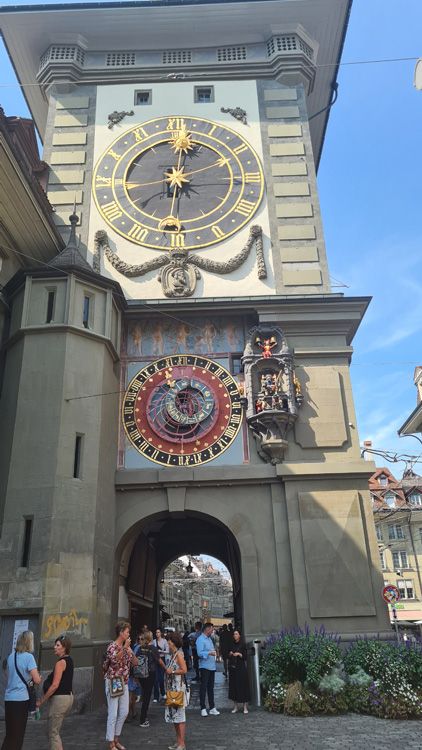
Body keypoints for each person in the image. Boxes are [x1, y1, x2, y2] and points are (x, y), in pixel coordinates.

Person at [1, 630, 41, 750]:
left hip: (9, 699)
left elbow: (9, 676)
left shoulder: (11, 656)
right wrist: (37, 677)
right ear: (29, 642)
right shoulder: (29, 657)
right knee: (18, 736)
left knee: (10, 735)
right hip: (21, 700)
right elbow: (37, 680)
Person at [104, 621, 138, 750]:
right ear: (121, 632)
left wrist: (131, 652)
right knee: (113, 713)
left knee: (124, 712)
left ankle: (116, 738)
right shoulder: (112, 646)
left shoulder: (127, 647)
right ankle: (111, 743)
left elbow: (135, 663)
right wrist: (124, 649)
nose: (129, 634)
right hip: (113, 680)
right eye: (127, 632)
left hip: (124, 681)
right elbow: (114, 662)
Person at [37, 635, 74, 749]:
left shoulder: (61, 663)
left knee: (53, 733)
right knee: (53, 731)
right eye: (55, 645)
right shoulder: (70, 660)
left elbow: (54, 685)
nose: (54, 647)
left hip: (60, 700)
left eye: (58, 645)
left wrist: (41, 700)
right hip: (68, 697)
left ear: (64, 648)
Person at [165, 632, 188, 750]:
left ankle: (182, 743)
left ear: (172, 642)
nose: (167, 644)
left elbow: (184, 670)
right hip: (172, 688)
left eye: (168, 641)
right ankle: (178, 741)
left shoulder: (179, 654)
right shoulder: (173, 654)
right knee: (174, 717)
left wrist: (172, 672)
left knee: (180, 716)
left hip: (178, 689)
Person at [137, 630, 160, 728]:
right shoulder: (153, 648)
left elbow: (136, 659)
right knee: (147, 695)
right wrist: (166, 669)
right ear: (150, 638)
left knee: (144, 693)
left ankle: (142, 715)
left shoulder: (140, 647)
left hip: (141, 674)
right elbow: (159, 660)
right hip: (150, 673)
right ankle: (143, 718)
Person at [196, 623, 219, 717]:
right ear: (207, 629)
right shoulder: (200, 639)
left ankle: (212, 707)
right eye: (211, 629)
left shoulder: (209, 639)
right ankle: (203, 708)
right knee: (203, 687)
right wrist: (210, 653)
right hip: (204, 667)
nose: (212, 631)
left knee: (211, 688)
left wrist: (214, 653)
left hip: (212, 666)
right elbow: (199, 653)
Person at [228, 629, 250, 714]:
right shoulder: (231, 644)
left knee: (243, 686)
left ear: (239, 635)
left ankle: (245, 707)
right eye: (234, 634)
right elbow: (228, 655)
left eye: (236, 634)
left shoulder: (243, 644)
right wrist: (230, 654)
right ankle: (235, 707)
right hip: (233, 668)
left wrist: (239, 654)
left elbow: (245, 657)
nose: (235, 635)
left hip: (241, 668)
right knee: (234, 687)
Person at [127, 634, 142, 720]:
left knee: (131, 696)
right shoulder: (133, 649)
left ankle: (132, 712)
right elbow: (136, 662)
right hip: (130, 675)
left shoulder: (132, 648)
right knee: (130, 696)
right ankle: (129, 714)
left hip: (128, 675)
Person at [153, 628, 169, 703]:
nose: (157, 634)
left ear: (161, 633)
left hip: (162, 658)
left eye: (158, 632)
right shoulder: (154, 641)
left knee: (161, 678)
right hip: (155, 660)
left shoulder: (164, 641)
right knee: (155, 679)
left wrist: (161, 651)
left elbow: (167, 651)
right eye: (156, 632)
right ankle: (156, 696)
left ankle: (163, 693)